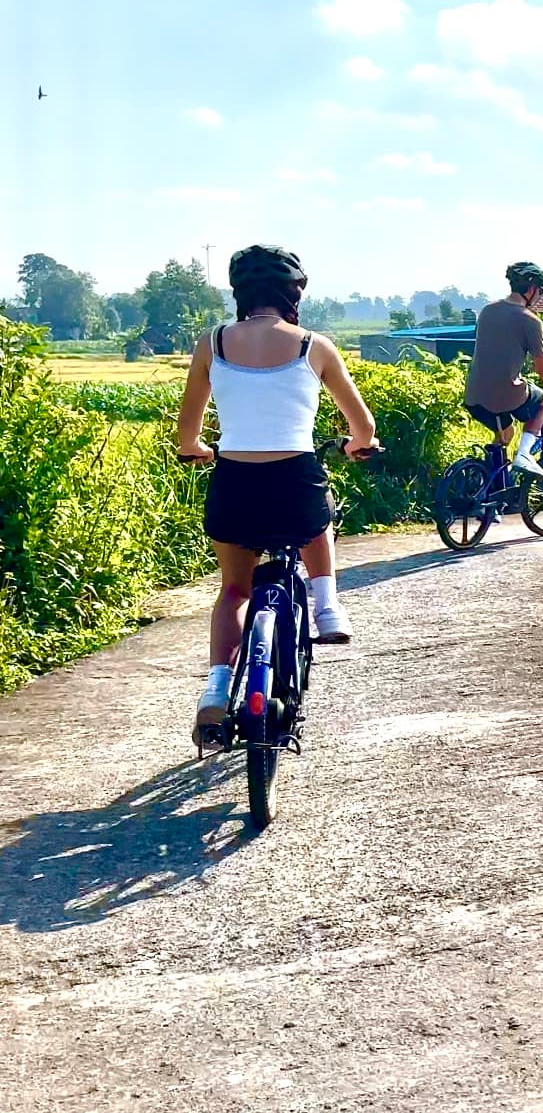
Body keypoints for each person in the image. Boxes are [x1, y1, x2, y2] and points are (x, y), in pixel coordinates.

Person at [176, 245, 380, 752]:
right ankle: (328, 608)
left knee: (234, 591)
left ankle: (216, 689)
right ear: (294, 294)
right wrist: (358, 445)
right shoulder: (315, 345)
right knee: (318, 519)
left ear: (240, 293)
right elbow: (363, 425)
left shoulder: (212, 342)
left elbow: (188, 431)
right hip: (294, 481)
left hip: (235, 483)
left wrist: (196, 449)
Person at [465, 262, 543, 475]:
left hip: (474, 394)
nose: (539, 296)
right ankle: (524, 454)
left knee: (505, 435)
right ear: (531, 289)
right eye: (540, 291)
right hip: (504, 393)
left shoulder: (487, 311)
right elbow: (542, 367)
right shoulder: (530, 320)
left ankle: (486, 486)